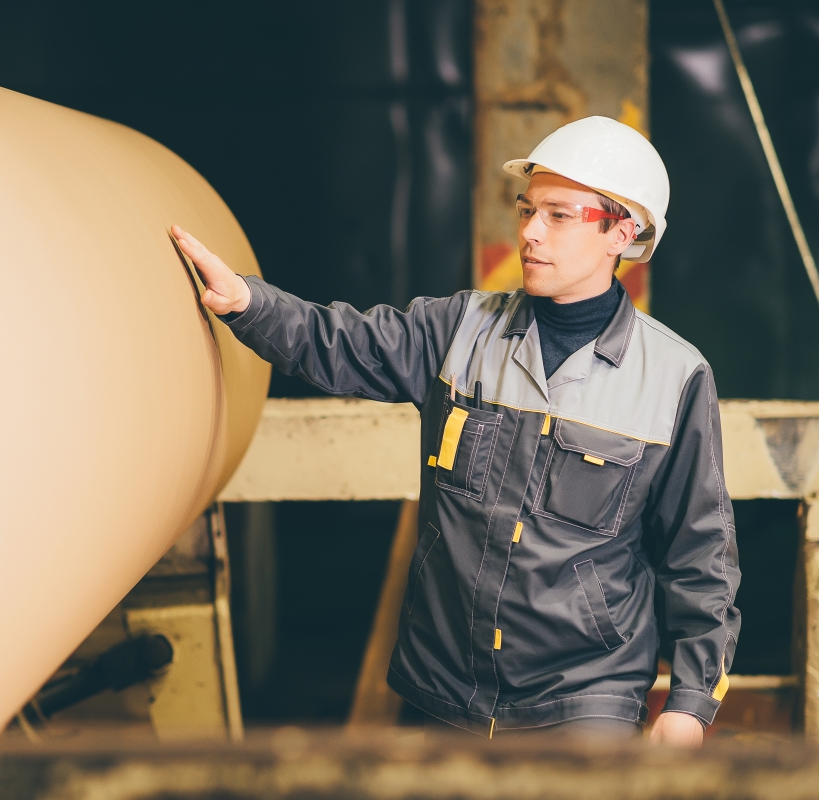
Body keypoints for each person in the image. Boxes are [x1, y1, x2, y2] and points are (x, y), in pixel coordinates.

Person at [172, 116, 739, 746]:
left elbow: (700, 558)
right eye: (527, 210)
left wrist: (689, 703)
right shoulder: (458, 330)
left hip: (583, 701)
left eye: (557, 215)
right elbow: (338, 342)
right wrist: (248, 304)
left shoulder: (674, 377)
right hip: (446, 687)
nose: (529, 232)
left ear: (621, 232)